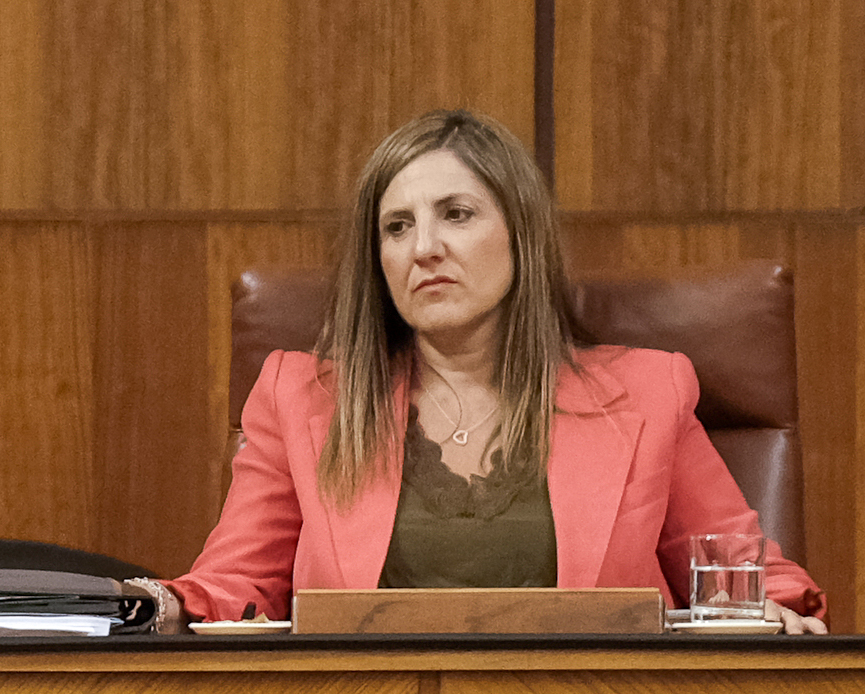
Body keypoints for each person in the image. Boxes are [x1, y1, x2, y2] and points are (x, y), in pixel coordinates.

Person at [141, 108, 825, 631]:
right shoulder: (302, 399)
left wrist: (781, 611)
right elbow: (234, 584)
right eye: (397, 227)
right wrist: (157, 604)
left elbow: (746, 578)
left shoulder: (649, 394)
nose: (425, 247)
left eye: (457, 215)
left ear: (520, 236)